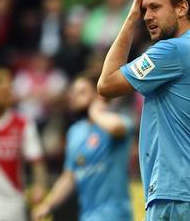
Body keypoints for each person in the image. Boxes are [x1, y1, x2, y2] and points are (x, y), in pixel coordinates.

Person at [97, 0, 190, 221]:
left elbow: (106, 84)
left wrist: (130, 18)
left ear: (182, 7)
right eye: (144, 9)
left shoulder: (173, 51)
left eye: (155, 8)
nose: (146, 16)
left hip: (177, 194)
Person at [33, 74, 134, 221]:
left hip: (115, 214)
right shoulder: (75, 132)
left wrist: (95, 111)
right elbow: (69, 176)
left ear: (98, 94)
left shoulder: (117, 121)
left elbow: (116, 127)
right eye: (73, 92)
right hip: (87, 215)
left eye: (81, 92)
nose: (74, 97)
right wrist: (48, 205)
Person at [0, 67, 47, 220]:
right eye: (5, 92)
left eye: (10, 91)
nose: (10, 96)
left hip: (13, 204)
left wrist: (39, 186)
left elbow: (36, 160)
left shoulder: (23, 123)